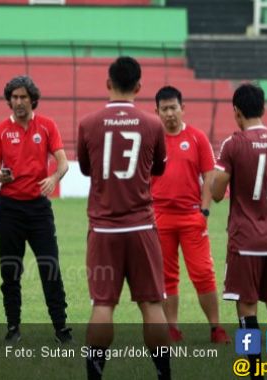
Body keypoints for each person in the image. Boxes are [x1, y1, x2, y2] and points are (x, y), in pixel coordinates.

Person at [77, 56, 171, 380]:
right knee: (152, 304)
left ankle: (95, 375)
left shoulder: (88, 123)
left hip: (104, 228)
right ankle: (163, 374)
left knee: (103, 305)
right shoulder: (153, 124)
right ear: (139, 87)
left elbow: (87, 169)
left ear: (108, 84)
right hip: (142, 225)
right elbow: (158, 168)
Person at [212, 83, 267, 380]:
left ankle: (256, 374)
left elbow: (218, 192)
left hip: (244, 241)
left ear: (237, 112)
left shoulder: (232, 145)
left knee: (246, 309)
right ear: (263, 108)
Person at [0, 75, 71, 343]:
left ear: (32, 99)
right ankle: (13, 327)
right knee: (10, 269)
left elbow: (63, 163)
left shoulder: (47, 126)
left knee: (50, 266)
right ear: (9, 100)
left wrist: (54, 178)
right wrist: (0, 177)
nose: (18, 102)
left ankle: (61, 327)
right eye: (14, 97)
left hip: (38, 209)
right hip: (9, 208)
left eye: (23, 97)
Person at [151, 86, 230, 344]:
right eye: (165, 109)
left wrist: (204, 210)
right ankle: (172, 329)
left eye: (174, 107)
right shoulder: (152, 140)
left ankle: (216, 328)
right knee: (166, 275)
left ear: (183, 108)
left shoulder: (196, 138)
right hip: (160, 216)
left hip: (191, 216)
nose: (170, 113)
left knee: (203, 272)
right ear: (157, 112)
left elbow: (209, 175)